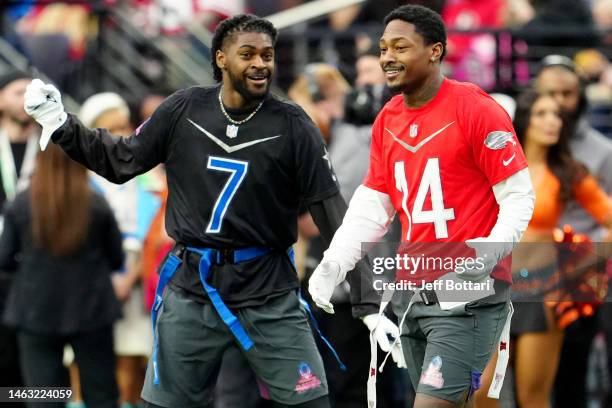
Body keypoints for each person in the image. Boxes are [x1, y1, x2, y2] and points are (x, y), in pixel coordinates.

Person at [23, 13, 401, 408]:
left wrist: (369, 301)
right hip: (193, 290)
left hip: (268, 291)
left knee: (310, 403)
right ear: (221, 58)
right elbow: (122, 160)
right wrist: (62, 124)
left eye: (268, 55)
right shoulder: (184, 109)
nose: (260, 64)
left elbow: (332, 215)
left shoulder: (293, 124)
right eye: (248, 54)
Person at [308, 5, 535, 408]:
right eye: (382, 48)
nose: (387, 58)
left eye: (400, 47)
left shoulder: (476, 108)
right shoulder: (388, 118)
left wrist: (486, 255)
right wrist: (337, 258)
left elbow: (518, 196)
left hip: (467, 294)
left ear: (435, 51)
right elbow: (375, 204)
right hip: (411, 293)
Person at [475, 89, 612, 408]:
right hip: (493, 289)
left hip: (542, 289)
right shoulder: (495, 165)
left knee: (533, 397)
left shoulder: (567, 171)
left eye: (556, 115)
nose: (552, 121)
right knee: (482, 392)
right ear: (524, 120)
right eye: (541, 113)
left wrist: (582, 263)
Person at [0, 143, 123, 408]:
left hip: (35, 311)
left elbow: (4, 260)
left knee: (44, 397)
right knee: (101, 394)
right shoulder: (97, 205)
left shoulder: (21, 205)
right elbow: (117, 259)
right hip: (92, 310)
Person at [535, 54, 612, 408]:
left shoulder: (599, 151)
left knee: (573, 371)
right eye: (552, 94)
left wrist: (583, 259)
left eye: (568, 94)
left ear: (580, 96)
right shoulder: (525, 148)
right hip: (532, 272)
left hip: (586, 270)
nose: (561, 103)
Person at [0, 69, 38, 393]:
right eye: (17, 91)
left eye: (31, 91)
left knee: (35, 357)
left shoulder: (51, 148)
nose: (26, 98)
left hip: (38, 266)